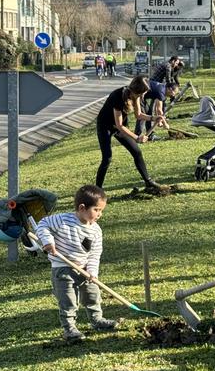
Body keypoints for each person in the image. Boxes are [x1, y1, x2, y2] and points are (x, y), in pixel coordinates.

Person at [36, 184, 119, 342]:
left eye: (101, 210)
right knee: (68, 300)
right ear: (82, 208)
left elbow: (95, 253)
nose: (99, 214)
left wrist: (92, 272)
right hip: (63, 268)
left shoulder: (96, 230)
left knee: (92, 295)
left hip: (85, 269)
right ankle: (69, 329)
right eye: (97, 210)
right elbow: (43, 224)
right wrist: (48, 241)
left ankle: (97, 320)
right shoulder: (63, 220)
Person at [95, 76, 167, 193]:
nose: (143, 96)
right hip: (105, 126)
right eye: (142, 93)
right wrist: (137, 137)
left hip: (119, 127)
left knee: (137, 152)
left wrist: (154, 118)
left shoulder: (136, 96)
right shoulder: (118, 96)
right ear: (135, 91)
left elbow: (138, 115)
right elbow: (119, 125)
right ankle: (97, 189)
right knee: (107, 158)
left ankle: (148, 182)